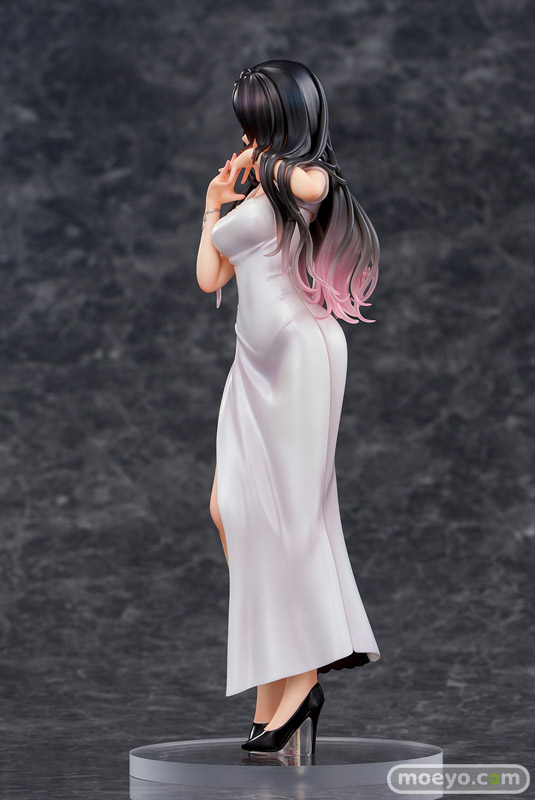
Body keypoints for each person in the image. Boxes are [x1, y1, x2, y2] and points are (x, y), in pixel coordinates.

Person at [196, 59, 381, 755]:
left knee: (294, 517)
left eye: (255, 118)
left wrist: (261, 162)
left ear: (281, 118)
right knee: (231, 510)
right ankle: (278, 673)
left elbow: (308, 184)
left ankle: (298, 680)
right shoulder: (256, 184)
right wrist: (214, 200)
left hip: (303, 356)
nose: (245, 132)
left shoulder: (304, 175)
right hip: (252, 364)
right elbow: (210, 275)